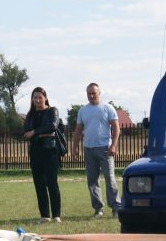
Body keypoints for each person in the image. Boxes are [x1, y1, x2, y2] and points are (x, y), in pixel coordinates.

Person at [71, 82, 121, 217]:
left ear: (99, 93)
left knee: (110, 179)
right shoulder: (82, 111)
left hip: (105, 148)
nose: (91, 96)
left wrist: (113, 145)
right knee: (92, 180)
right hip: (88, 149)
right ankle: (98, 208)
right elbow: (78, 131)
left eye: (94, 93)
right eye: (89, 93)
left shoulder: (108, 108)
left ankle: (116, 207)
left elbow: (116, 128)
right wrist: (74, 147)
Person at [22, 86, 62, 223]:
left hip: (50, 151)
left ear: (45, 98)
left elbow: (52, 127)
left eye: (40, 97)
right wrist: (41, 133)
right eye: (35, 97)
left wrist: (34, 132)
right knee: (39, 183)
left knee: (52, 182)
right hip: (35, 152)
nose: (37, 100)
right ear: (32, 100)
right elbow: (25, 133)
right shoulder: (30, 115)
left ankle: (56, 215)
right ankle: (45, 215)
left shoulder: (52, 111)